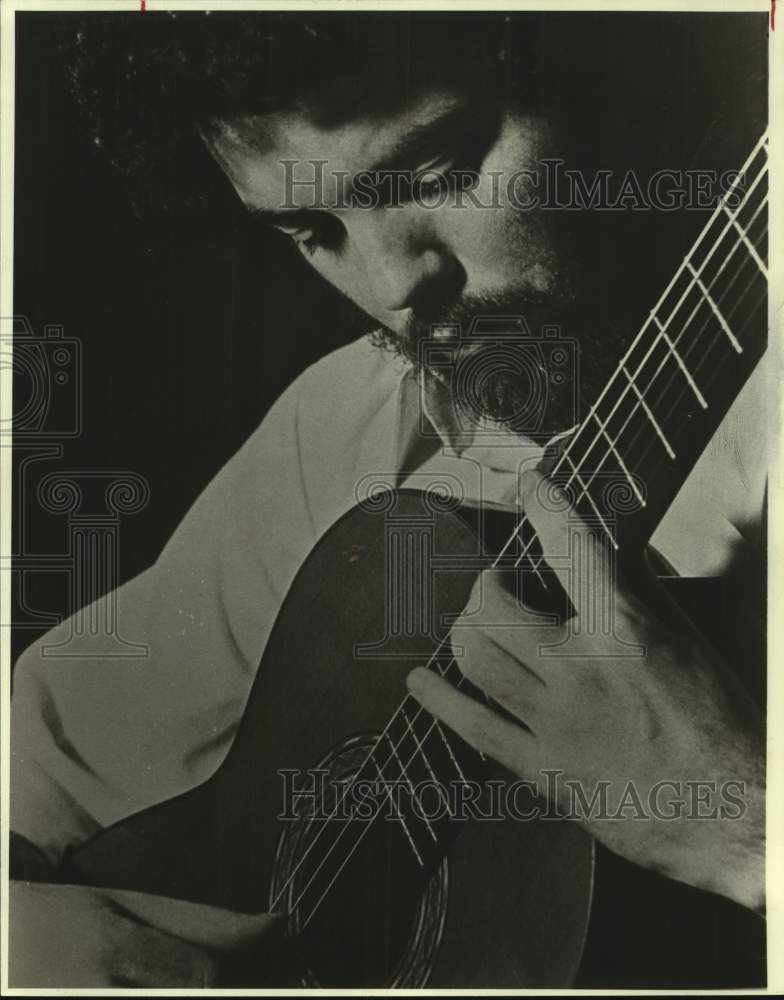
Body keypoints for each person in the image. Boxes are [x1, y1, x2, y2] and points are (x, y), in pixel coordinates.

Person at [9, 10, 768, 988]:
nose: (392, 285)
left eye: (429, 173)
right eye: (312, 229)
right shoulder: (358, 424)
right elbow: (35, 771)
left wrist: (744, 823)